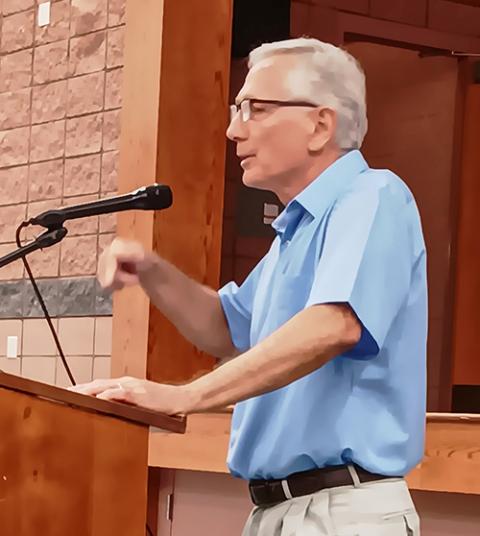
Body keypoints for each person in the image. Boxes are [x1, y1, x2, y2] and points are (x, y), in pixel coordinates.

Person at [71, 38, 427, 535]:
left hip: (343, 509)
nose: (233, 129)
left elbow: (335, 324)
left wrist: (183, 396)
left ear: (320, 124)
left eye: (254, 109)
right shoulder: (294, 232)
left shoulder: (373, 196)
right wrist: (152, 270)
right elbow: (226, 328)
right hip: (279, 510)